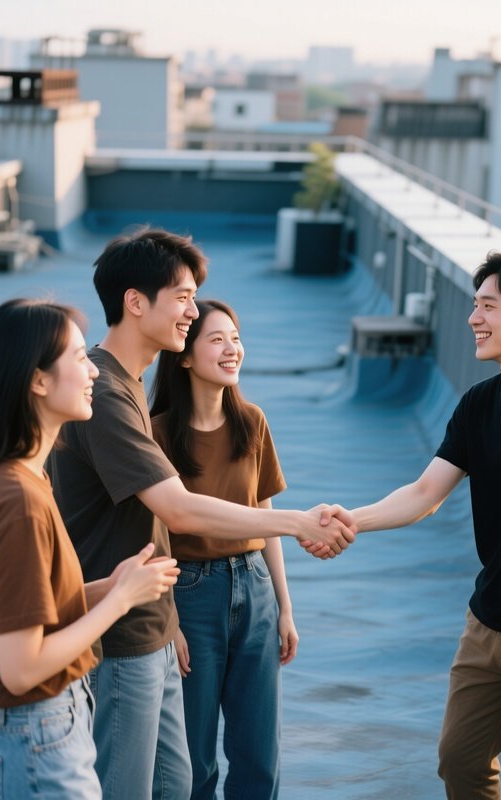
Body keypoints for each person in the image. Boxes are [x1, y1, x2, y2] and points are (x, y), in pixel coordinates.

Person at [47, 228, 354, 800]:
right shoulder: (108, 394)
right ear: (135, 302)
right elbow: (178, 511)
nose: (192, 311)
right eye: (182, 297)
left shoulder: (129, 385)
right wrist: (296, 522)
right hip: (122, 635)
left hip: (155, 622)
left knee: (181, 781)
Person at [312, 250, 501, 799]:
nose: (472, 318)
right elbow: (425, 493)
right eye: (474, 305)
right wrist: (350, 519)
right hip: (486, 622)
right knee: (460, 762)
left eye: (487, 306)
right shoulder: (479, 403)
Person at [0, 299, 180, 799]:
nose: (93, 370)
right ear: (38, 380)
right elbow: (21, 668)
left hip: (4, 734)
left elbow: (12, 612)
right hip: (31, 741)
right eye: (77, 357)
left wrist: (100, 589)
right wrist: (119, 601)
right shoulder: (19, 501)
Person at [150, 299, 296, 800]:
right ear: (185, 357)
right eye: (216, 339)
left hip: (254, 585)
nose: (232, 349)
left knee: (259, 754)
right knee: (192, 758)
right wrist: (168, 618)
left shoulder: (252, 423)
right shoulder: (159, 434)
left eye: (235, 338)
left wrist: (285, 608)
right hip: (190, 594)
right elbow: (155, 536)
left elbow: (268, 519)